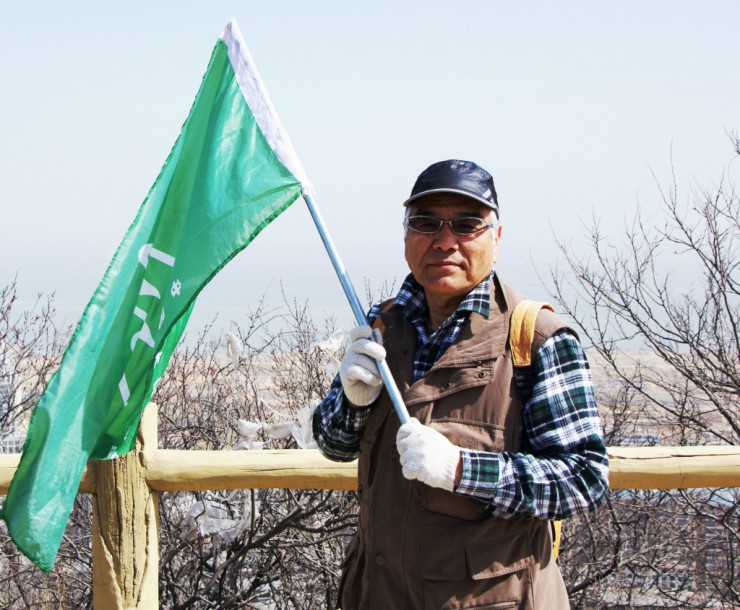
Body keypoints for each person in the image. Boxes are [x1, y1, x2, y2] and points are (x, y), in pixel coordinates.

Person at [313, 159, 609, 610]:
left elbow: (583, 479)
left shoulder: (537, 339)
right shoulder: (381, 324)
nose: (445, 241)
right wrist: (353, 403)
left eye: (467, 224)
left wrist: (461, 470)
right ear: (407, 234)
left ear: (497, 236)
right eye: (426, 222)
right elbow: (333, 445)